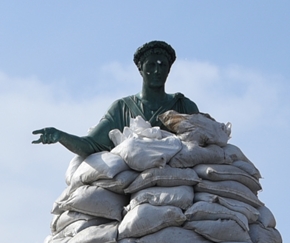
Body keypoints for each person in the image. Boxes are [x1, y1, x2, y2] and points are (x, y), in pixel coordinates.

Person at [32, 40, 198, 156]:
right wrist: (61, 136)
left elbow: (203, 145)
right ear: (140, 69)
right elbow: (91, 145)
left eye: (163, 65)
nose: (157, 71)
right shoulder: (122, 108)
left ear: (169, 69)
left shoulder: (183, 106)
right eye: (151, 65)